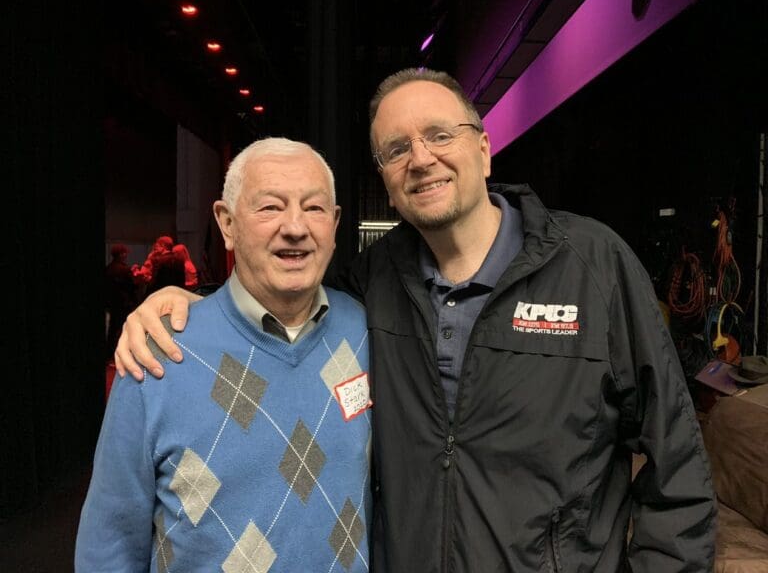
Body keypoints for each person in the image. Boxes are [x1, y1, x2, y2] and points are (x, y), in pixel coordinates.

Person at [115, 69, 716, 572]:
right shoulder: (370, 284)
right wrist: (196, 305)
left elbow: (678, 469)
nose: (421, 159)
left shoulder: (593, 265)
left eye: (439, 135)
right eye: (396, 149)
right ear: (386, 180)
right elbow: (281, 296)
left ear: (483, 150)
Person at [77, 138, 372, 572]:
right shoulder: (158, 352)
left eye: (314, 208)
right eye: (270, 207)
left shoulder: (366, 332)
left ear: (335, 223)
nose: (295, 226)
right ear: (227, 222)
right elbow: (109, 545)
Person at [104, 243, 137, 360]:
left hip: (112, 303)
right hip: (125, 304)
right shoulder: (125, 269)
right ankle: (124, 354)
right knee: (126, 330)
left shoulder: (108, 268)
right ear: (122, 254)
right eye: (125, 253)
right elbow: (132, 287)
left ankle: (109, 355)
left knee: (112, 330)